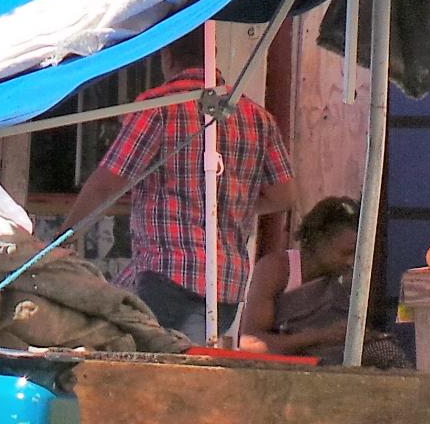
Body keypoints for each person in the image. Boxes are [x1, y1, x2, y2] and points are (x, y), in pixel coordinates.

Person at [70, 33, 297, 343]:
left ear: (167, 56)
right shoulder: (257, 116)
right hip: (227, 285)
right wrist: (227, 200)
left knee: (149, 367)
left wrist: (62, 240)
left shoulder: (160, 106)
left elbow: (108, 183)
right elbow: (283, 195)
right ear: (213, 53)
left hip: (169, 276)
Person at [237, 196, 410, 368]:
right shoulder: (276, 269)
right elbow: (250, 343)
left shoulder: (349, 278)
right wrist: (319, 336)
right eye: (345, 253)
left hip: (339, 359)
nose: (351, 262)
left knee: (385, 353)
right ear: (318, 240)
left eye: (356, 255)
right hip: (288, 365)